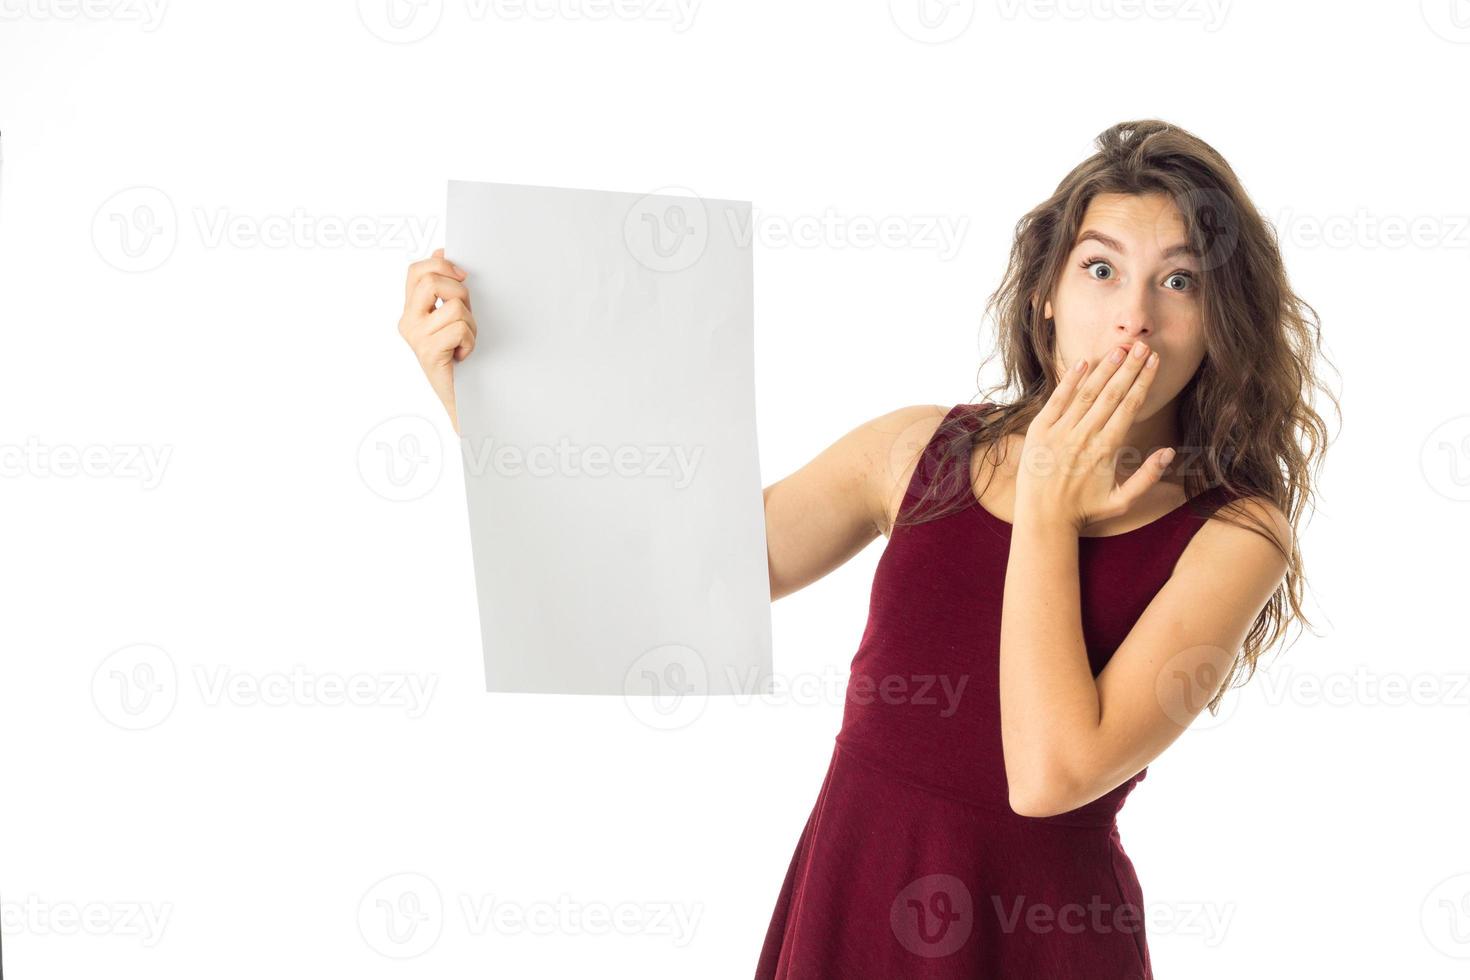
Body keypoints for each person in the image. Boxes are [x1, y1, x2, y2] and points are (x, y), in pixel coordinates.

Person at [397, 118, 1337, 978]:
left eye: (1179, 280)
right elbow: (677, 574)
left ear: (1218, 320)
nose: (1132, 315)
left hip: (1043, 941)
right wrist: (476, 395)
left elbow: (1050, 775)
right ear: (1047, 295)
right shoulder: (916, 450)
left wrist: (1047, 503)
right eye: (1100, 268)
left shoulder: (1235, 533)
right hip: (851, 902)